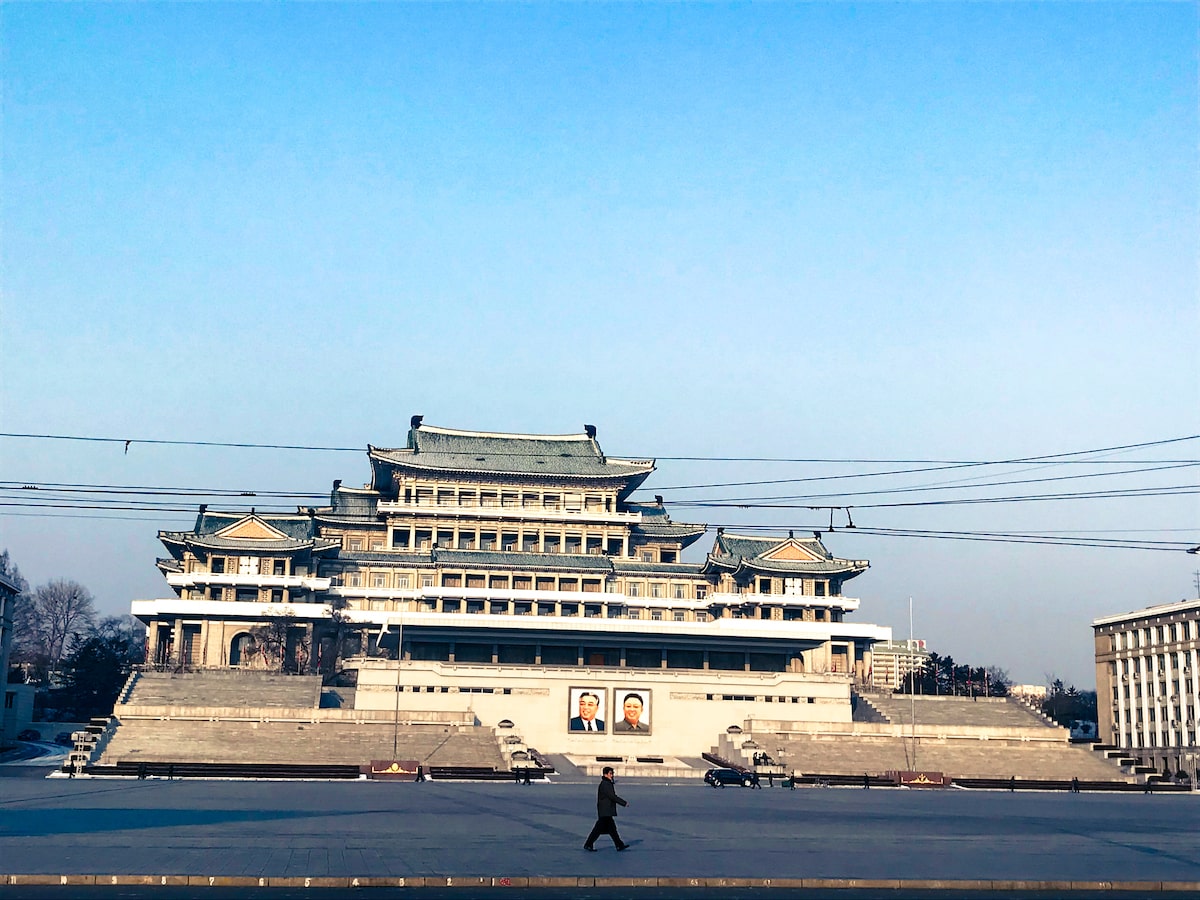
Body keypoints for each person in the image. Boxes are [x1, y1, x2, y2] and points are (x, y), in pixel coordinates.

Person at [583, 766, 629, 852]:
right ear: (605, 774)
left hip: (605, 811)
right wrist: (624, 803)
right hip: (605, 811)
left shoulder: (607, 783)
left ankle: (619, 845)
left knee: (612, 829)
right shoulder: (606, 784)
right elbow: (612, 796)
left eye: (612, 773)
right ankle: (588, 844)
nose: (612, 775)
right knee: (599, 829)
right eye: (610, 773)